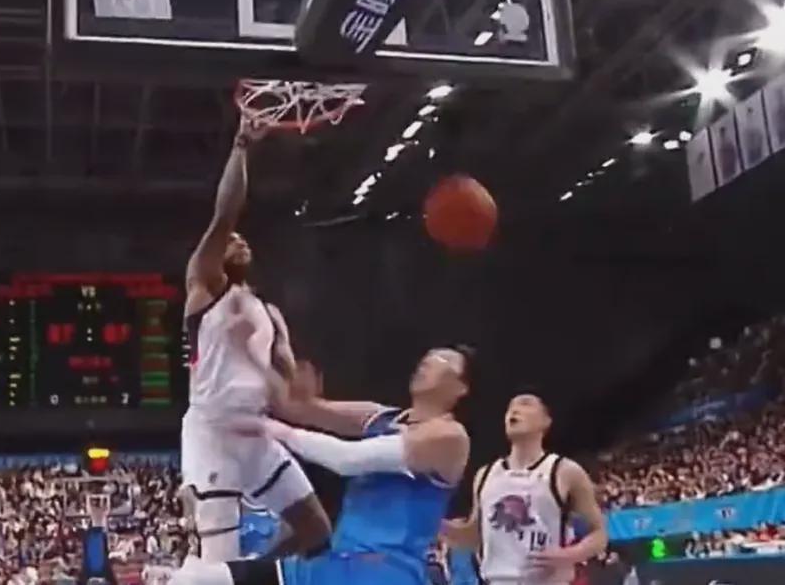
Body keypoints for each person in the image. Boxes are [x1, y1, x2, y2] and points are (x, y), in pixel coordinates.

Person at [169, 346, 473, 585]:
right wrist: (262, 357)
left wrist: (271, 429)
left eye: (442, 361)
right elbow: (301, 408)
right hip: (334, 564)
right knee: (196, 579)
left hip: (383, 572)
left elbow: (347, 459)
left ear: (461, 388)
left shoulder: (450, 437)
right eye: (427, 357)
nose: (428, 362)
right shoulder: (383, 418)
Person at [182, 120, 330, 561]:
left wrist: (300, 392)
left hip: (255, 430)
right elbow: (225, 214)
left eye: (243, 239)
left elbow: (285, 393)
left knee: (316, 530)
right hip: (212, 431)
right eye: (231, 241)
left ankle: (252, 573)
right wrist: (241, 145)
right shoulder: (205, 287)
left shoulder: (270, 315)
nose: (239, 240)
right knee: (218, 560)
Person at [441, 393, 608, 585]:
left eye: (525, 404)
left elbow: (599, 534)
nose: (514, 410)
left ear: (546, 421)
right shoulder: (485, 474)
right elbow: (475, 536)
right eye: (510, 408)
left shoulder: (564, 471)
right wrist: (436, 523)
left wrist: (570, 555)